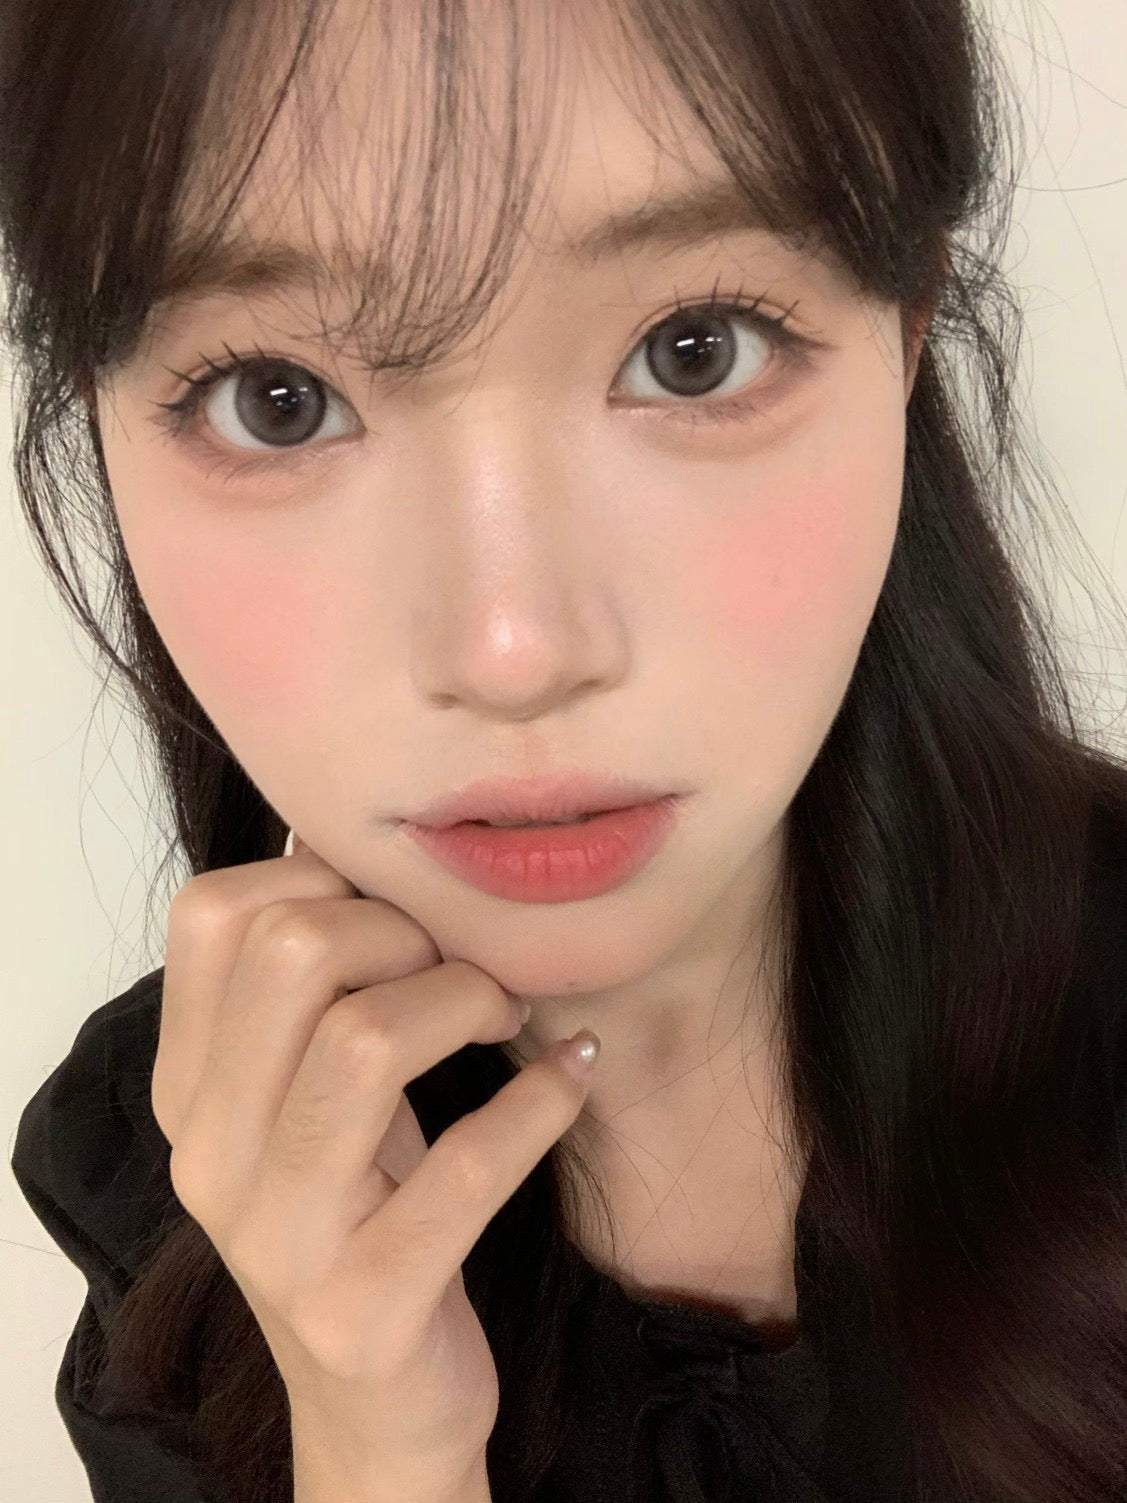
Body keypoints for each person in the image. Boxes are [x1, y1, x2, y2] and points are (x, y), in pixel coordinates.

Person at [6, 1, 1127, 1501]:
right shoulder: (174, 1180)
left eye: (694, 351)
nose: (513, 648)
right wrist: (375, 1448)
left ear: (907, 328)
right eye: (280, 400)